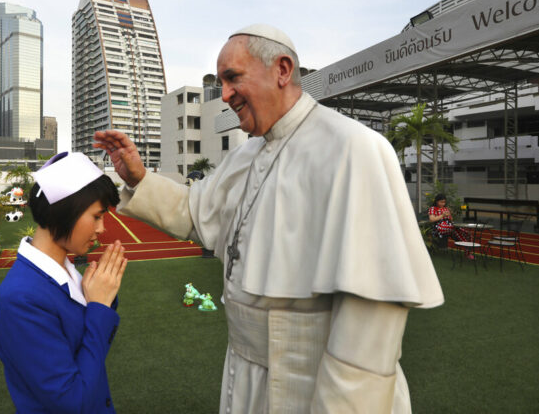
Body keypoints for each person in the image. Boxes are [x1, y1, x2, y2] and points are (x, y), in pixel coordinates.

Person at [94, 24, 444, 413]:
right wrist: (140, 178)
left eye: (232, 78)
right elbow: (195, 212)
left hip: (309, 386)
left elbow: (371, 314)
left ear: (282, 70)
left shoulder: (353, 148)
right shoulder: (245, 155)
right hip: (246, 374)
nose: (224, 94)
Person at [0, 151, 127, 413]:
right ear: (64, 212)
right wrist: (99, 307)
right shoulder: (20, 299)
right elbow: (73, 402)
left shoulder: (64, 271)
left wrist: (102, 295)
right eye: (96, 216)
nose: (101, 229)